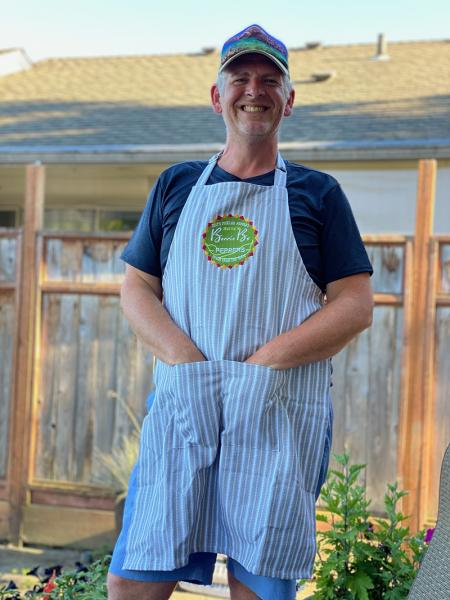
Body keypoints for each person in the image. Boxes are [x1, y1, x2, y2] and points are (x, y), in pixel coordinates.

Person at [107, 24, 373, 600]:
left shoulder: (318, 193)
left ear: (290, 100)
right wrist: (187, 362)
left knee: (261, 578)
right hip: (186, 406)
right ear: (216, 95)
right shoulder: (175, 184)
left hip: (274, 413)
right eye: (241, 78)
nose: (255, 90)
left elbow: (354, 305)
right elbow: (136, 288)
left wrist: (265, 364)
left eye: (270, 80)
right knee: (135, 576)